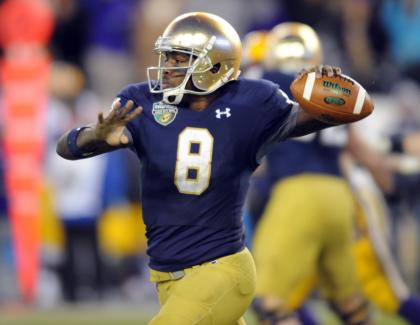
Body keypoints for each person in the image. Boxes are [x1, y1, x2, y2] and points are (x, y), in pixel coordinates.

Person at [56, 12, 369, 325]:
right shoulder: (142, 101)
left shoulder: (252, 103)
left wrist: (329, 91)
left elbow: (324, 115)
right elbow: (66, 148)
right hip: (167, 276)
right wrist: (94, 136)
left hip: (221, 271)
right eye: (167, 58)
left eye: (180, 60)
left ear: (214, 65)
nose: (167, 68)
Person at [243, 22, 420, 325]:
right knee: (350, 304)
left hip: (296, 194)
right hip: (340, 198)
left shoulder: (264, 80)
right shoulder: (329, 90)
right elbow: (358, 149)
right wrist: (388, 182)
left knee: (267, 301)